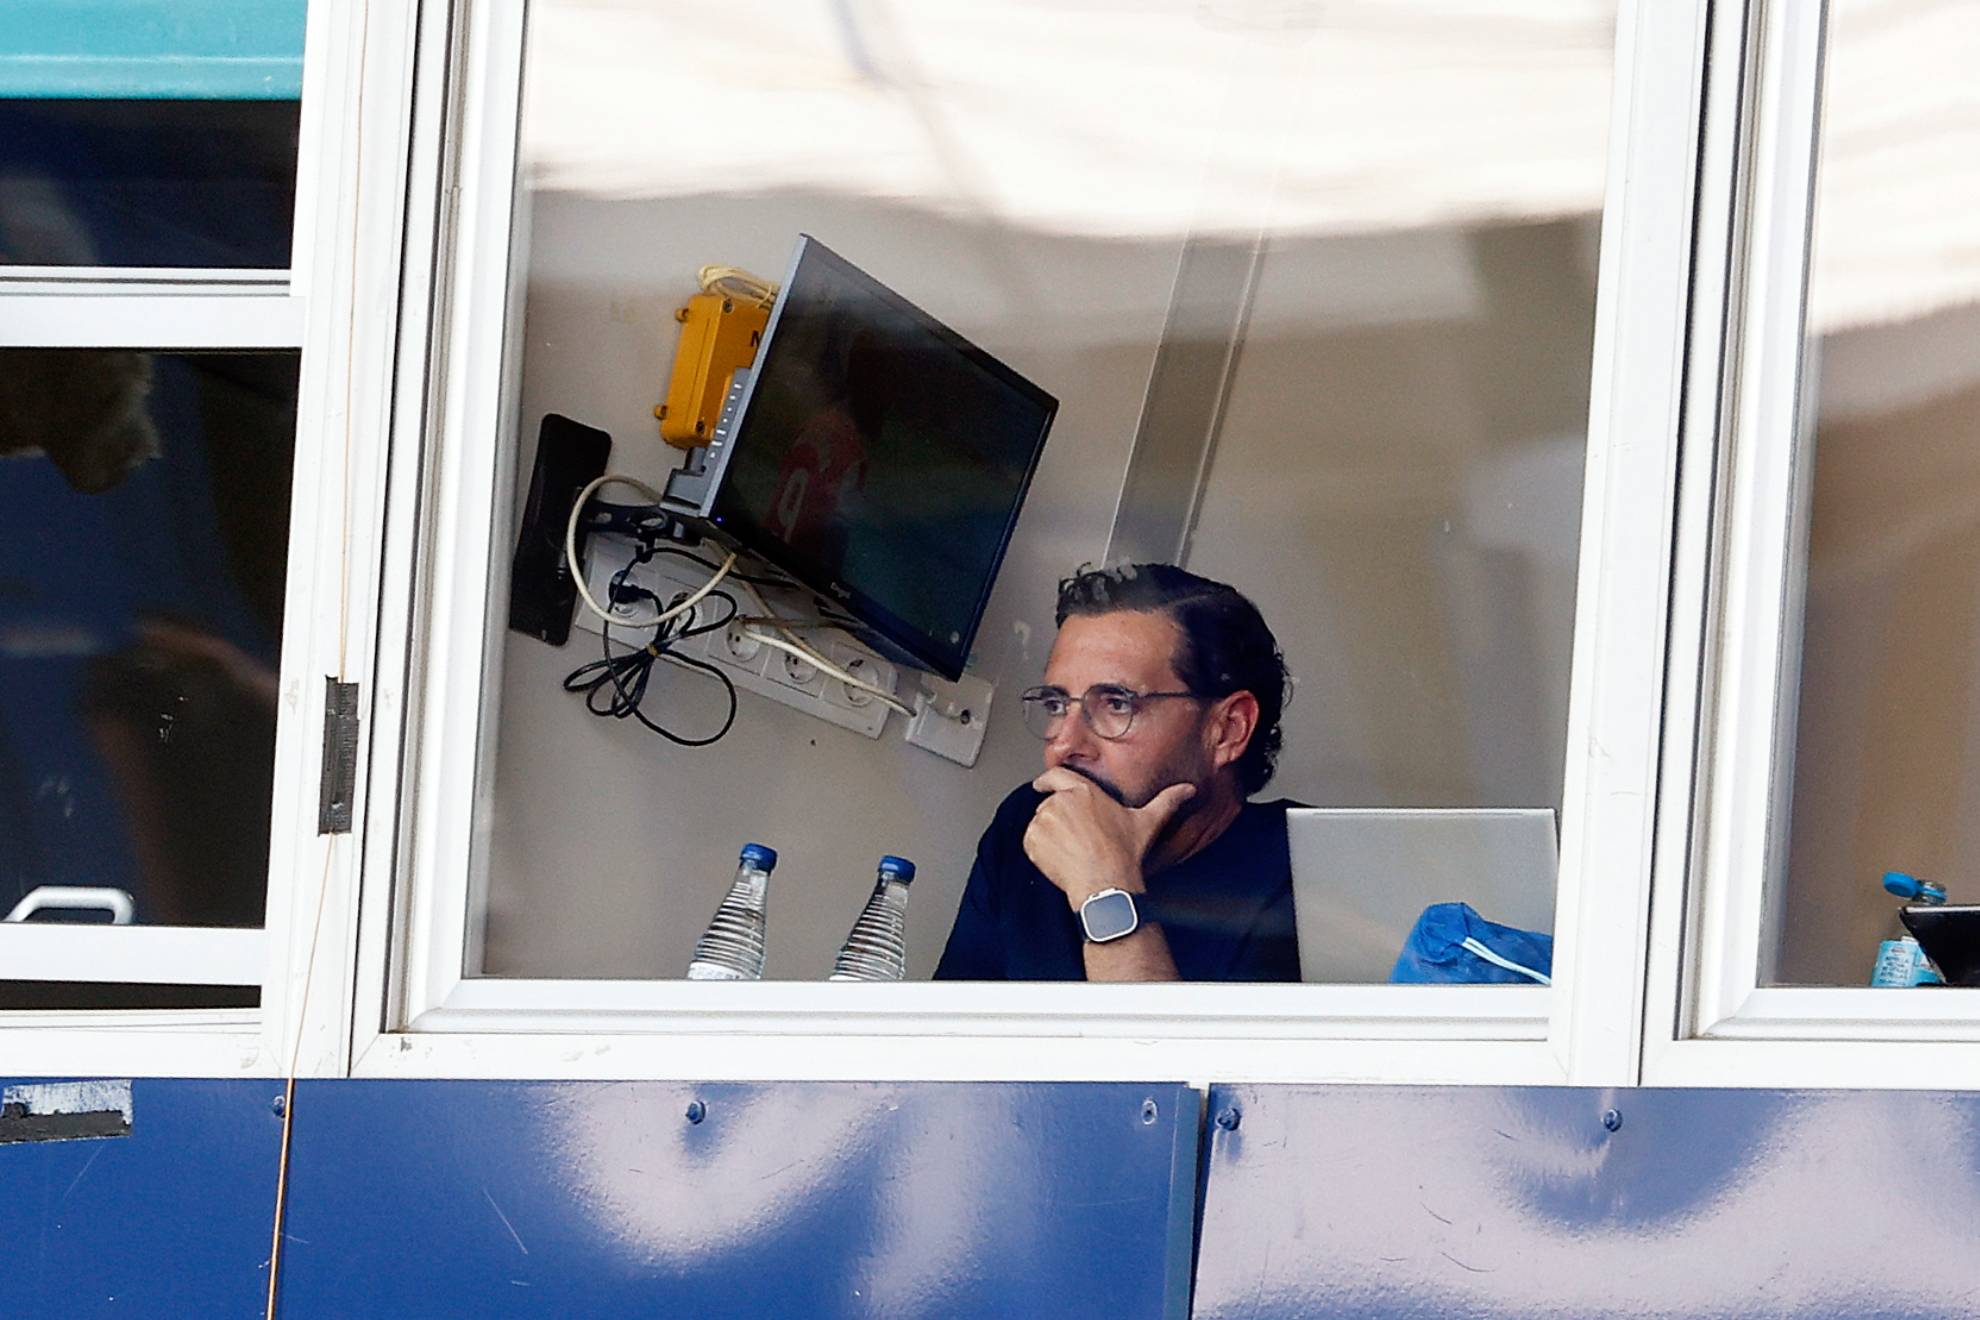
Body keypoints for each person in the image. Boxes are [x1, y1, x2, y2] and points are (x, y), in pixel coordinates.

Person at [934, 563, 1299, 982]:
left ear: (1227, 730)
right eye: (1056, 705)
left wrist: (1103, 885)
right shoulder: (1028, 823)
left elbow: (1154, 1050)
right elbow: (947, 1039)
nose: (1065, 744)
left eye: (1116, 704)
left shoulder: (1305, 873)